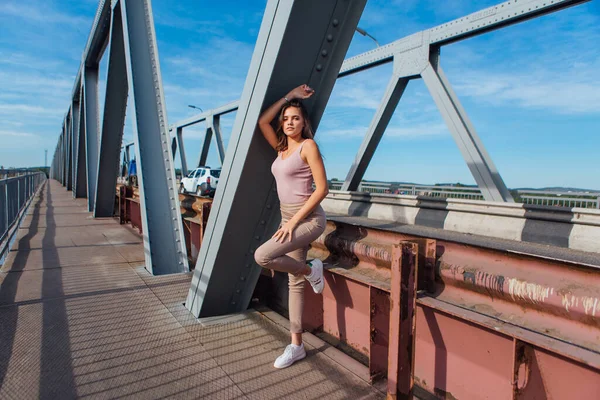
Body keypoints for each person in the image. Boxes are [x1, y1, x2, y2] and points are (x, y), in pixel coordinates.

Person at [254, 84, 328, 369]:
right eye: (285, 119)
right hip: (288, 219)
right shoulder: (282, 148)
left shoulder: (308, 147)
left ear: (304, 122)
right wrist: (290, 96)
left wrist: (293, 223)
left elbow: (322, 189)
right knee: (294, 282)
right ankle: (297, 345)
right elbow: (262, 121)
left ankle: (312, 269)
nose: (289, 123)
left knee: (263, 255)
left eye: (295, 118)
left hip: (308, 220)